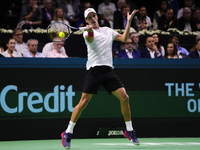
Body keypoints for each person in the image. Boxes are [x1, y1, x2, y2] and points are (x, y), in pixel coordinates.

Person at [61, 8, 140, 149]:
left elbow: (124, 38)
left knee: (125, 97)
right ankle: (67, 133)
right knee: (83, 102)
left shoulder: (107, 30)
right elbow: (90, 39)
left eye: (94, 16)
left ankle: (129, 131)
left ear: (97, 16)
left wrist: (128, 22)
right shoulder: (86, 32)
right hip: (94, 71)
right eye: (89, 17)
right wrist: (90, 30)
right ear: (86, 20)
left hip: (108, 70)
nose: (92, 18)